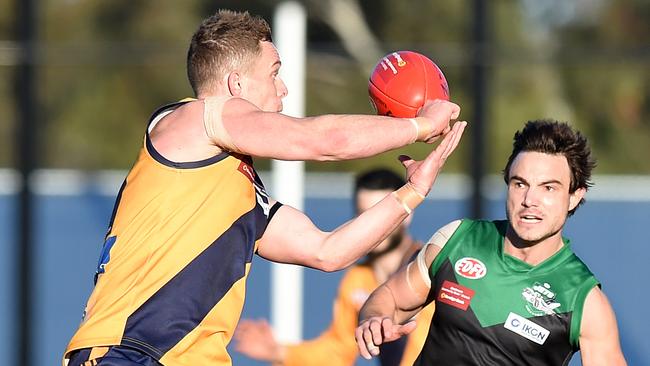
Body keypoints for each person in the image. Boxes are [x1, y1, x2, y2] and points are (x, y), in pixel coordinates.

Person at [63, 9, 467, 366]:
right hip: (132, 351)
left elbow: (327, 252)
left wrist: (412, 191)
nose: (284, 89)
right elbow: (321, 142)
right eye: (274, 73)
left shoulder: (238, 192)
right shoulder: (192, 119)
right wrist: (420, 126)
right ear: (236, 84)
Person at [355, 120, 627, 365]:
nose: (529, 199)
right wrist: (374, 320)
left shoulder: (584, 300)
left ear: (574, 196)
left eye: (548, 188)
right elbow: (389, 299)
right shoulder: (457, 239)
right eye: (520, 184)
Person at [233, 168, 436, 366]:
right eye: (366, 215)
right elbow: (339, 350)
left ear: (406, 214)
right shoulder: (358, 279)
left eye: (384, 215)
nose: (377, 225)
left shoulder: (433, 268)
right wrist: (280, 352)